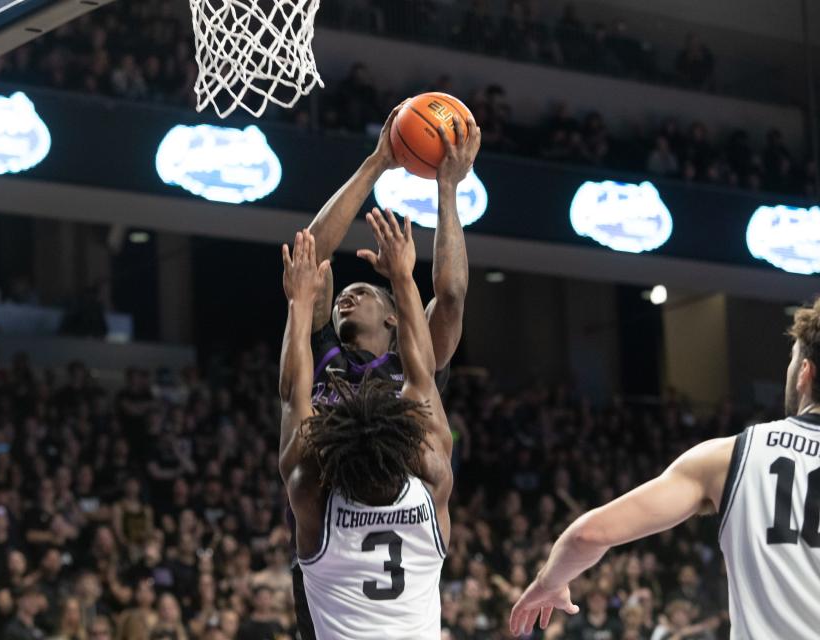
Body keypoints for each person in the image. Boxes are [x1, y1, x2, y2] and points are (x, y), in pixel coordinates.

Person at [510, 297, 820, 639]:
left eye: (791, 363)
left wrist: (548, 582)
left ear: (805, 373)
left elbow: (589, 535)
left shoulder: (727, 456)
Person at [295, 100, 478, 639]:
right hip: (329, 555)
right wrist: (379, 160)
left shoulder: (414, 362)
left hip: (395, 553)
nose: (345, 297)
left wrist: (448, 190)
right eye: (341, 296)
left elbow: (451, 294)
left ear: (398, 319)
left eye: (361, 293)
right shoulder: (323, 352)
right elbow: (311, 257)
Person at [278, 223, 453, 639]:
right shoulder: (432, 478)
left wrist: (299, 304)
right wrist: (403, 277)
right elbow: (422, 377)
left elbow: (291, 395)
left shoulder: (311, 495)